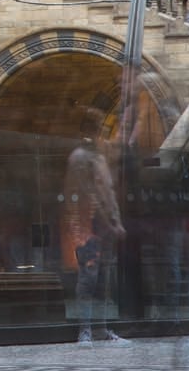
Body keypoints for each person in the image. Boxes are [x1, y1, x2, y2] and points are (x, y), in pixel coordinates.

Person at [63, 108, 127, 345]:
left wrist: (116, 221)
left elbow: (108, 194)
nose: (98, 132)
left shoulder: (99, 158)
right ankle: (86, 330)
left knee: (104, 279)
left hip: (105, 228)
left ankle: (101, 328)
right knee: (88, 278)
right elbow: (82, 194)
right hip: (89, 226)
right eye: (95, 127)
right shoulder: (80, 157)